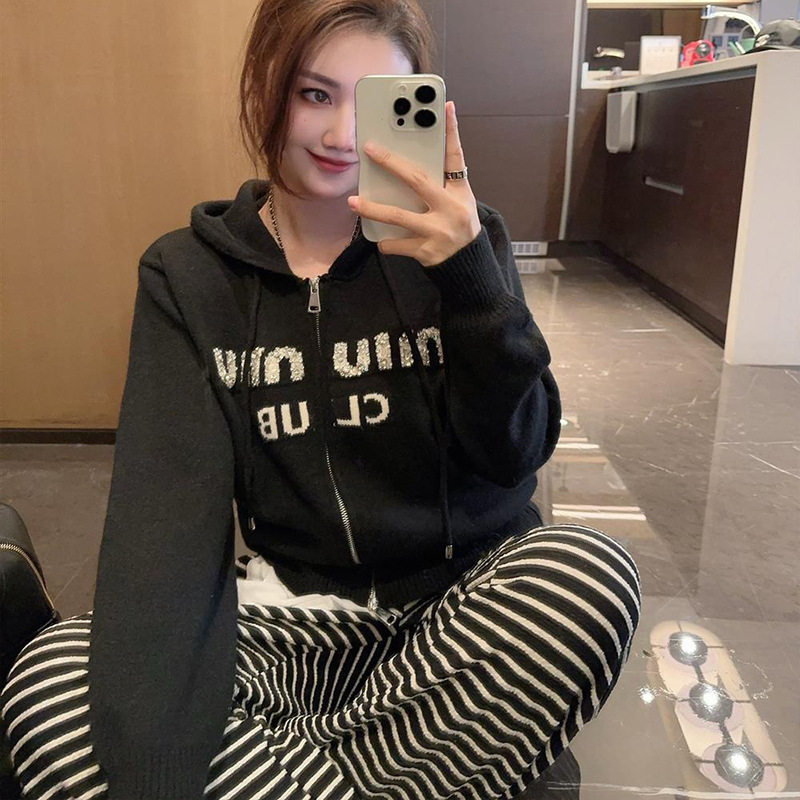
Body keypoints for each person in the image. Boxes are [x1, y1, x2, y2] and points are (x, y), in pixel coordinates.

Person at [0, 1, 641, 798]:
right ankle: (417, 765)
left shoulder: (463, 243)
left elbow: (516, 454)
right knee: (50, 680)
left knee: (588, 575)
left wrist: (471, 281)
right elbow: (164, 514)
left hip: (461, 618)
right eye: (314, 94)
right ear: (264, 85)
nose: (342, 135)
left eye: (373, 102)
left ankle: (290, 765)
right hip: (295, 625)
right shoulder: (189, 276)